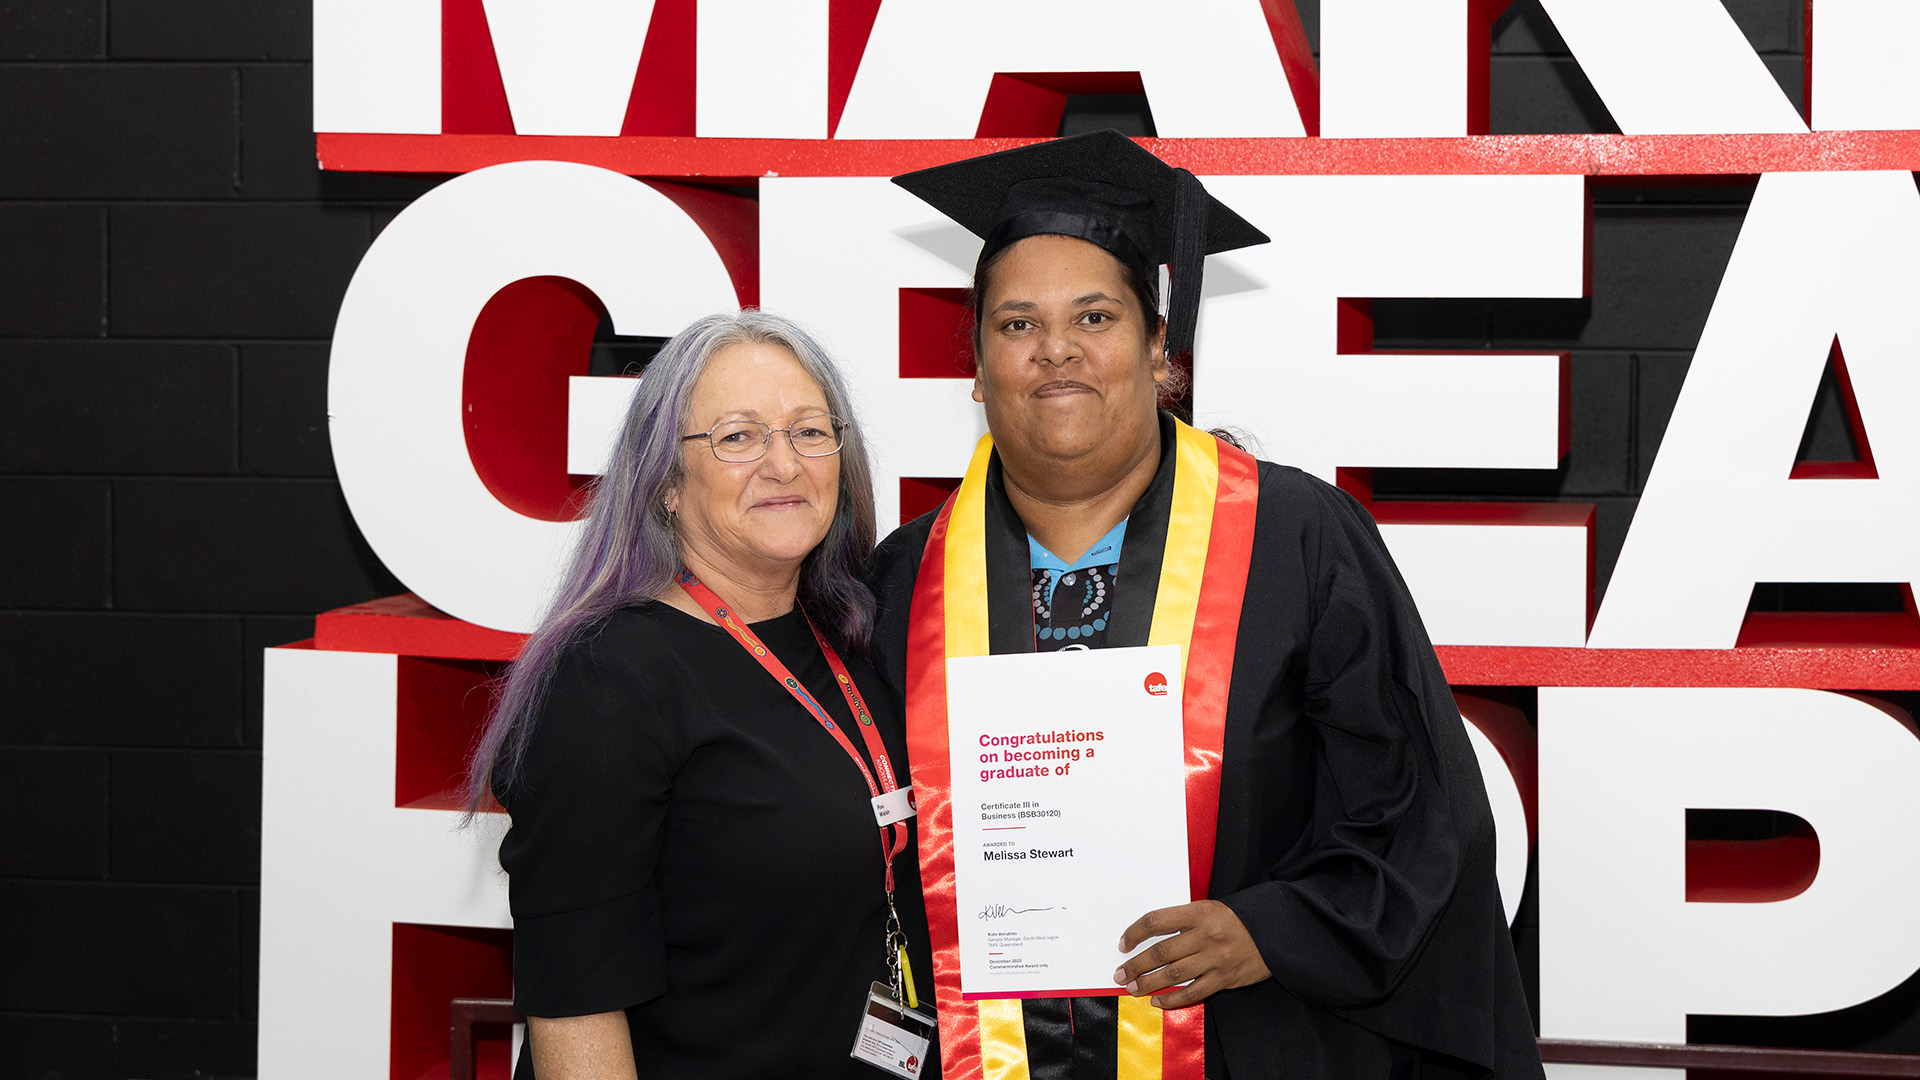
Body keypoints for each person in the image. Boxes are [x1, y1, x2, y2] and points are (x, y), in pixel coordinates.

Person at [868, 130, 1543, 1079]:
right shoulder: (901, 580)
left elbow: (1418, 810)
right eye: (1016, 324)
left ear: (1160, 352)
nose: (1055, 349)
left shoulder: (1296, 539)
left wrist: (1268, 930)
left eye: (1095, 317)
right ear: (976, 366)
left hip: (1249, 1042)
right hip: (984, 1051)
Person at [468, 311, 937, 1079]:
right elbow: (577, 1005)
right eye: (737, 437)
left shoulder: (855, 633)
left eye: (809, 431)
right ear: (665, 486)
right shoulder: (606, 678)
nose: (783, 464)